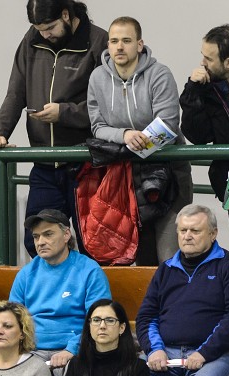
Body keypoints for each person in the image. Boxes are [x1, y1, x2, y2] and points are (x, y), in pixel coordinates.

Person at [0, 0, 107, 257]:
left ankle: (88, 291)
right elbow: (15, 93)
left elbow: (106, 106)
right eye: (39, 28)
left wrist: (64, 113)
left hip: (85, 164)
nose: (45, 34)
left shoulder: (98, 41)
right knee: (38, 241)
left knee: (93, 243)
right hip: (44, 164)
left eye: (50, 27)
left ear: (66, 14)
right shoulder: (32, 40)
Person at [87, 16, 192, 265]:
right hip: (127, 180)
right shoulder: (97, 78)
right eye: (114, 41)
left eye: (126, 40)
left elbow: (168, 124)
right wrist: (124, 136)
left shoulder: (159, 74)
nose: (119, 47)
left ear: (140, 44)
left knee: (171, 257)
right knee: (143, 261)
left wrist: (135, 146)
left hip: (169, 178)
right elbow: (97, 126)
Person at [136, 204, 229, 376]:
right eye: (183, 231)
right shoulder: (166, 269)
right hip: (167, 352)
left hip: (218, 355)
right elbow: (146, 316)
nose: (187, 236)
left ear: (213, 234)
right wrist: (154, 349)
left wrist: (204, 353)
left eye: (195, 230)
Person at [8, 209, 111, 376]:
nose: (40, 242)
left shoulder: (89, 270)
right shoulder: (26, 274)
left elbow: (99, 319)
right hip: (33, 351)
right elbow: (13, 318)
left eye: (48, 234)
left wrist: (72, 349)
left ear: (66, 235)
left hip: (75, 350)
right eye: (36, 236)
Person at [180, 25, 229, 254]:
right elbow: (197, 136)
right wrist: (193, 91)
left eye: (209, 58)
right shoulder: (207, 88)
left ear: (228, 62)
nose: (202, 62)